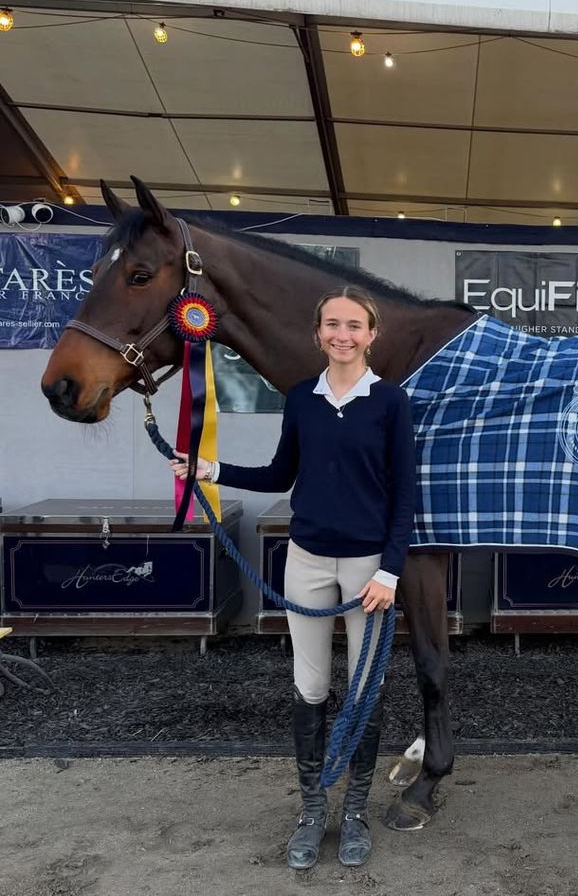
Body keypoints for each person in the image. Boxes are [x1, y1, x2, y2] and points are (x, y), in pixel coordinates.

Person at [170, 287, 416, 870]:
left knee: (364, 689)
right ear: (318, 332)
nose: (342, 334)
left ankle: (353, 812)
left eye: (353, 325)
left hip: (368, 570)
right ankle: (312, 811)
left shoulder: (391, 401)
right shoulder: (302, 397)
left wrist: (389, 570)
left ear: (371, 334)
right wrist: (211, 469)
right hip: (307, 561)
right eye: (332, 324)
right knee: (310, 687)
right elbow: (281, 472)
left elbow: (405, 493)